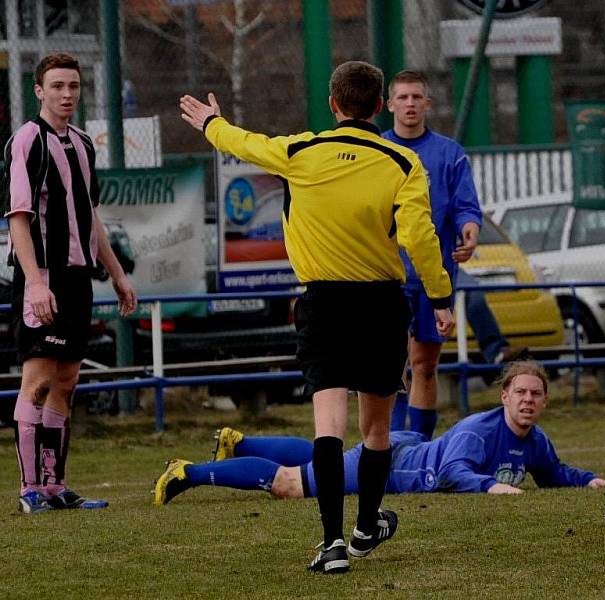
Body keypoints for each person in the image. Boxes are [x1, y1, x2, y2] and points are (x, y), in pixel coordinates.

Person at [179, 61, 454, 574]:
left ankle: (330, 545)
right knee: (376, 430)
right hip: (380, 303)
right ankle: (366, 527)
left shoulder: (301, 151)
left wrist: (212, 124)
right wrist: (440, 298)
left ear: (333, 105)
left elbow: (245, 144)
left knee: (327, 425)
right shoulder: (404, 162)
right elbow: (419, 238)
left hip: (323, 302)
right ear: (380, 106)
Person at [153, 361, 605, 507]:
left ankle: (242, 442)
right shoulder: (479, 432)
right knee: (291, 485)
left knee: (324, 458)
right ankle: (189, 472)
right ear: (503, 396)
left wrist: (587, 480)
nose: (528, 401)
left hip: (405, 452)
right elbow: (457, 472)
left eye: (536, 395)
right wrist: (491, 486)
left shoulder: (534, 439)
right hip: (393, 465)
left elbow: (552, 472)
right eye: (520, 392)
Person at [5, 53, 137, 514]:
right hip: (44, 275)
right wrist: (37, 283)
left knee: (67, 380)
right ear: (39, 91)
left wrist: (118, 275)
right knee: (37, 380)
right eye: (57, 86)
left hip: (79, 278)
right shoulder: (27, 139)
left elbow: (91, 215)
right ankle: (28, 490)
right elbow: (18, 218)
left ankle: (55, 486)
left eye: (74, 86)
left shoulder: (82, 143)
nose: (67, 94)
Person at [382, 71, 482, 439]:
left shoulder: (449, 153)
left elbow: (465, 206)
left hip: (433, 277)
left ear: (428, 104)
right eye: (403, 97)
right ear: (389, 104)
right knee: (388, 366)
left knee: (424, 364)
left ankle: (420, 444)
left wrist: (470, 229)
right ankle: (388, 445)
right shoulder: (379, 150)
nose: (410, 104)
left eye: (416, 97)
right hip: (386, 276)